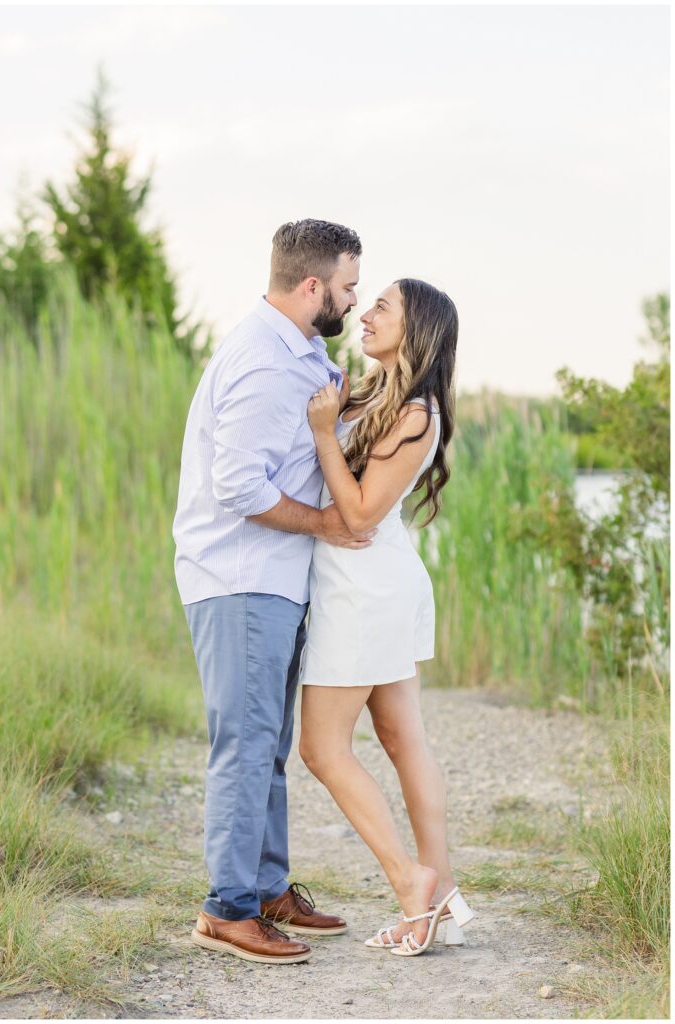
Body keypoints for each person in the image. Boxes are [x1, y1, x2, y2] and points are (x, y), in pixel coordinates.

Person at [172, 218, 376, 964]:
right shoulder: (262, 360)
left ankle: (264, 888)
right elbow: (237, 487)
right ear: (313, 285)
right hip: (240, 578)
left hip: (275, 579)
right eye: (349, 286)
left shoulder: (304, 353)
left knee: (269, 745)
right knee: (246, 744)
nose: (355, 301)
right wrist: (324, 521)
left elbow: (291, 448)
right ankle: (228, 909)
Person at [297, 277, 475, 957]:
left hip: (365, 590)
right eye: (366, 302)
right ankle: (443, 889)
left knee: (322, 748)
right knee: (403, 741)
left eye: (382, 308)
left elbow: (363, 514)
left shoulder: (417, 413)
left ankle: (411, 885)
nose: (364, 314)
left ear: (417, 329)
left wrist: (321, 434)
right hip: (367, 583)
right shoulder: (378, 397)